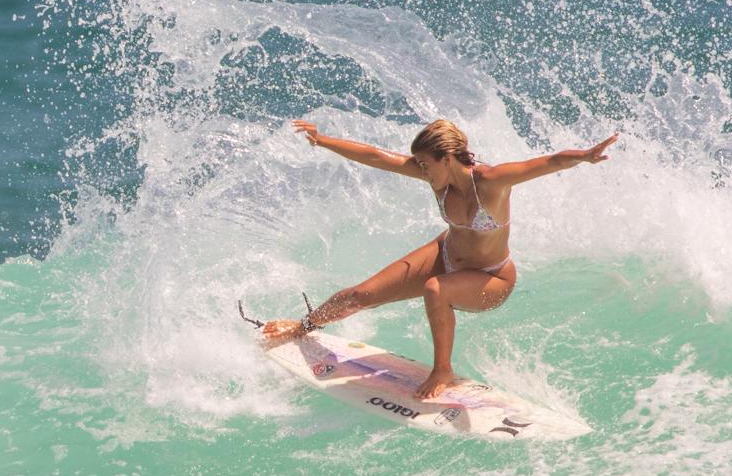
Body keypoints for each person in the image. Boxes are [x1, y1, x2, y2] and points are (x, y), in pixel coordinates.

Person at [262, 117, 618, 399]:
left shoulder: (491, 182)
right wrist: (322, 140)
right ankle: (304, 326)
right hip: (445, 253)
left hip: (490, 278)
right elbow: (376, 156)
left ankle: (442, 370)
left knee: (436, 289)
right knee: (360, 296)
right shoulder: (437, 178)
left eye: (425, 164)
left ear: (447, 158)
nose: (420, 170)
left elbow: (545, 162)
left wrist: (584, 157)